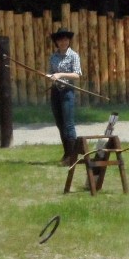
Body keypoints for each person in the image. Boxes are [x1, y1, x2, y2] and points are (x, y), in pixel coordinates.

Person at [47, 27, 83, 165]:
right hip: (55, 91)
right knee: (60, 123)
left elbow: (77, 75)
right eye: (60, 40)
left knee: (68, 123)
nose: (63, 42)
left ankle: (73, 156)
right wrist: (50, 76)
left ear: (68, 41)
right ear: (57, 42)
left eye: (66, 39)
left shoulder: (74, 55)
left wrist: (60, 75)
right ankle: (67, 154)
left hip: (67, 91)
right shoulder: (53, 57)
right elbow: (51, 74)